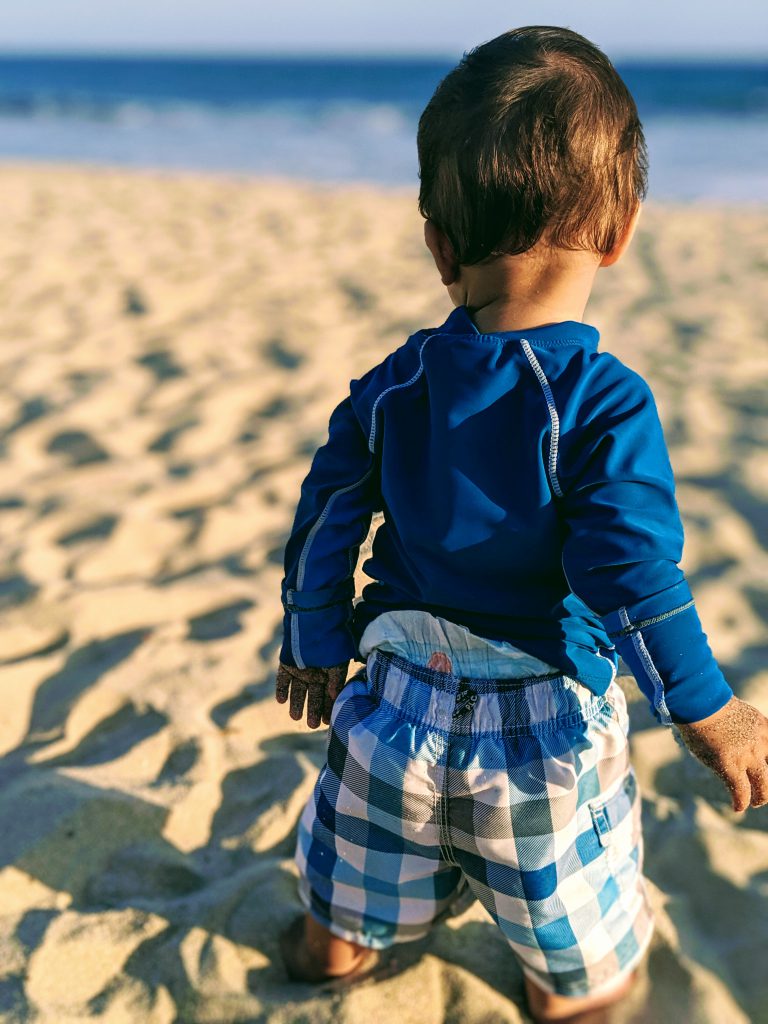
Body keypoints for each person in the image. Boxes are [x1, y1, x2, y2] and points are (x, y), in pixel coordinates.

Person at [273, 25, 768, 1023]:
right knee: (582, 969)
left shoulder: (394, 382)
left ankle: (339, 945)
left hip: (395, 706)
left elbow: (327, 514)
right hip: (539, 734)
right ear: (622, 233)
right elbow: (630, 569)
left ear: (439, 245)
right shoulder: (603, 400)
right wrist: (706, 707)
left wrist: (314, 638)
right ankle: (568, 991)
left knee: (351, 888)